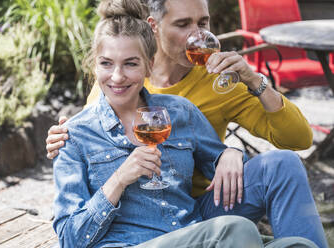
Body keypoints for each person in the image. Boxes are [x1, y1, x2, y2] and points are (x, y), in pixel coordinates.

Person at [46, 0, 313, 208]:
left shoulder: (219, 81)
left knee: (285, 164)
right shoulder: (123, 77)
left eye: (203, 23)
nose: (197, 36)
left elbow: (299, 138)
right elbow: (87, 140)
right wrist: (62, 137)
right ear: (154, 25)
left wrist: (255, 82)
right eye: (183, 24)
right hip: (137, 211)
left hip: (206, 202)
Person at [53, 0, 267, 247]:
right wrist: (119, 179)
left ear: (149, 66)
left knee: (294, 244)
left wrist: (232, 152)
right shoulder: (73, 135)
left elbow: (226, 167)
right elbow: (69, 239)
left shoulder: (179, 111)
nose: (117, 76)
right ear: (94, 65)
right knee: (235, 230)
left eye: (131, 63)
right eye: (106, 63)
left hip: (189, 236)